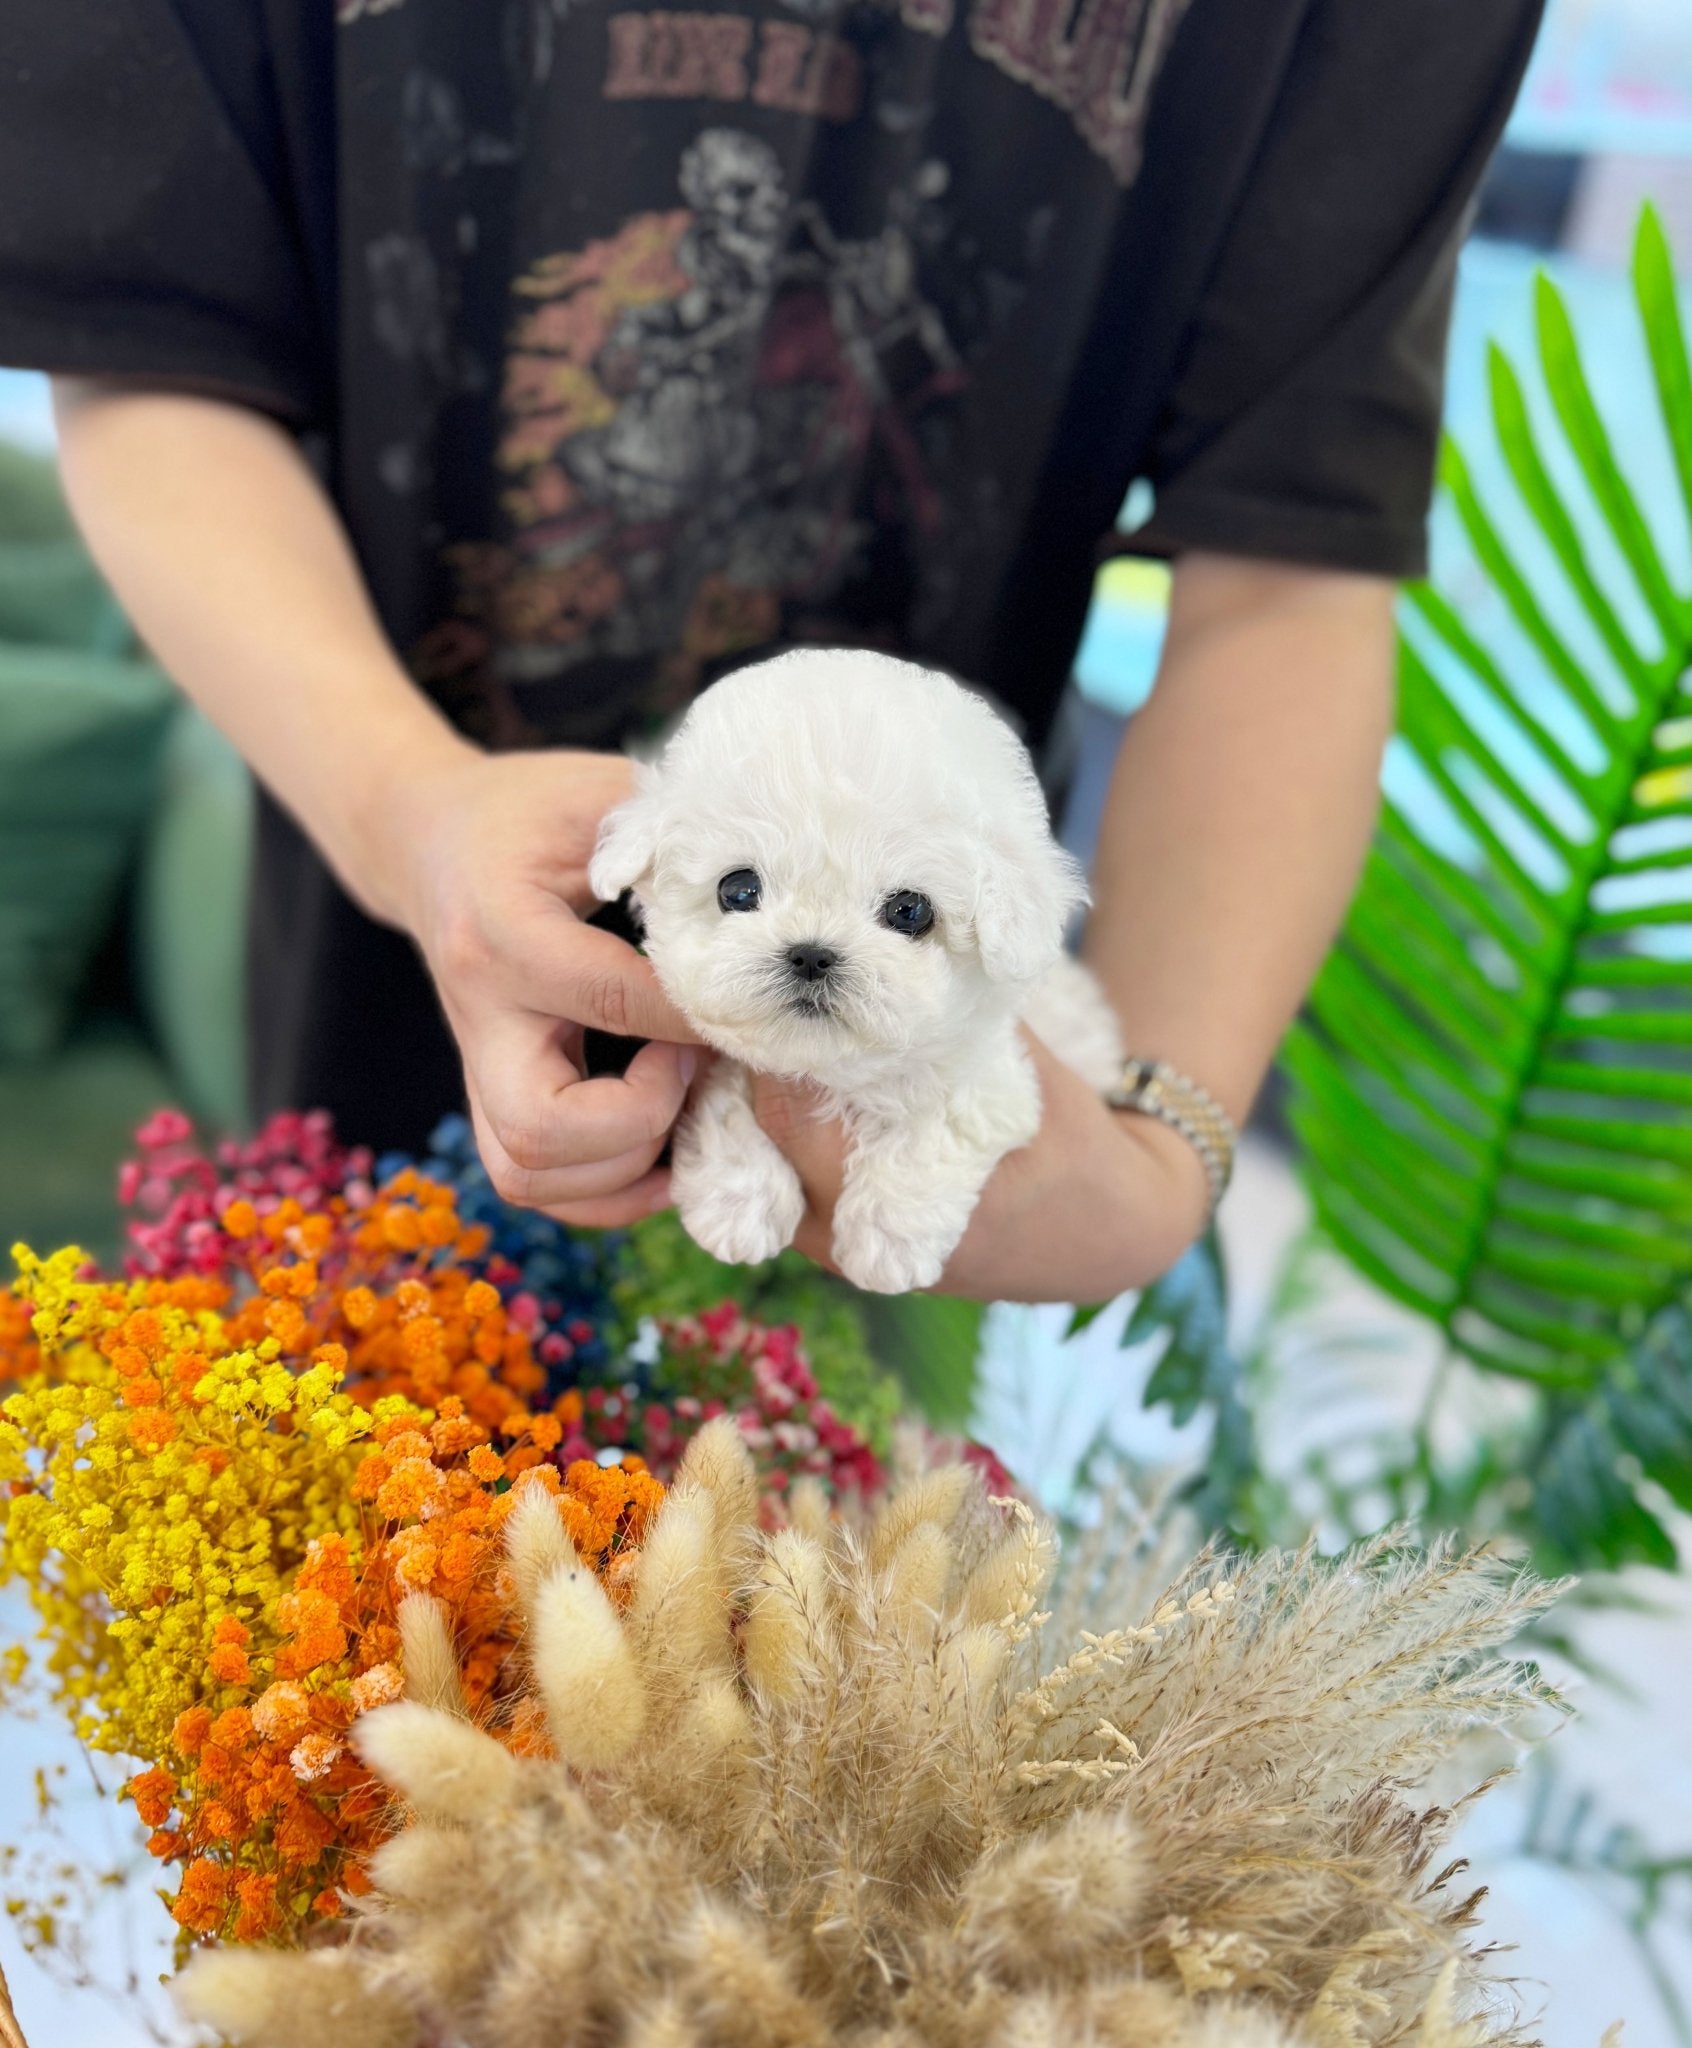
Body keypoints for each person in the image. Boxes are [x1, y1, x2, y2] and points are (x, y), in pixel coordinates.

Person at [0, 0, 1542, 1303]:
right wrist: (406, 809)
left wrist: (1160, 1152)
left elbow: (1296, 551)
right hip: (380, 971)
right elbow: (150, 345)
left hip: (955, 1088)